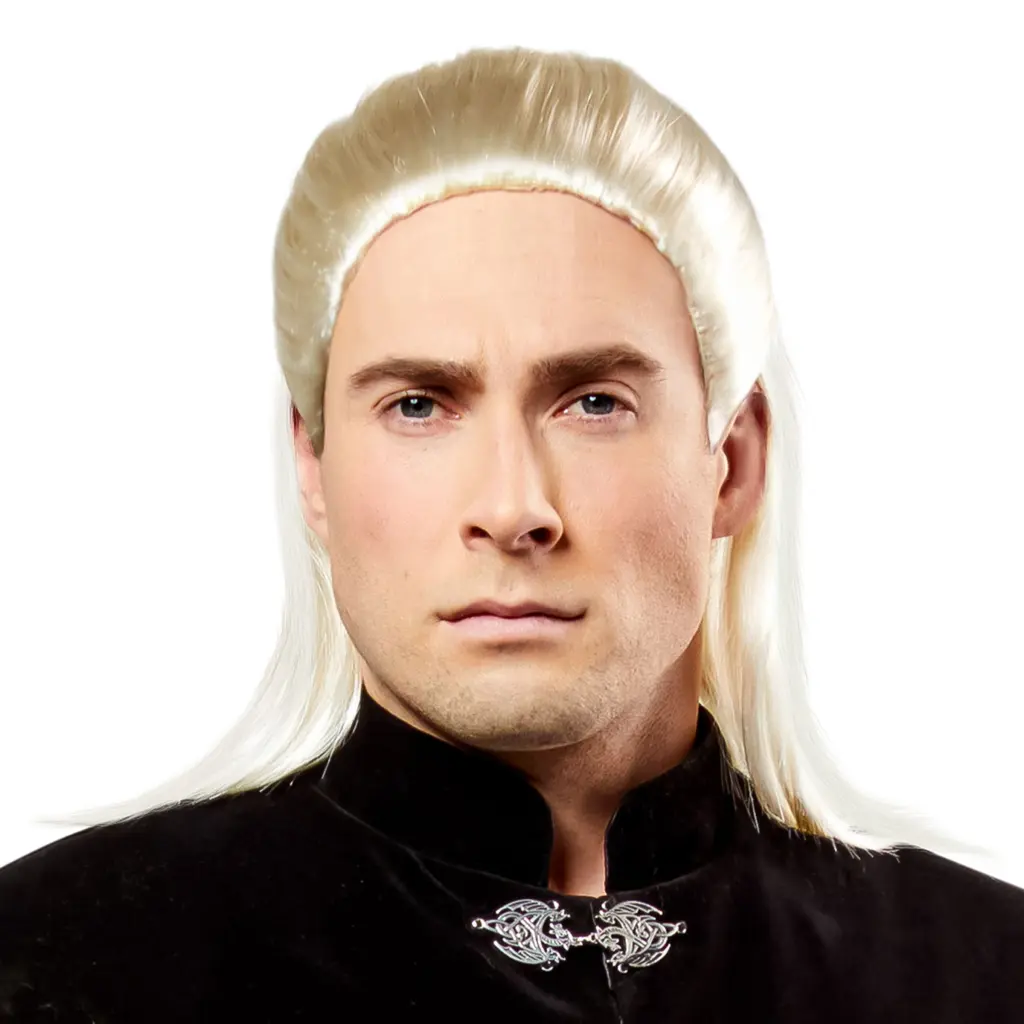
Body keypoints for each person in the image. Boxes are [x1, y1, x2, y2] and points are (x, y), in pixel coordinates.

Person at [1, 45, 1021, 1022]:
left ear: (734, 460)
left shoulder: (980, 975)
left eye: (593, 403)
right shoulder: (58, 960)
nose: (512, 506)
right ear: (312, 465)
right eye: (418, 405)